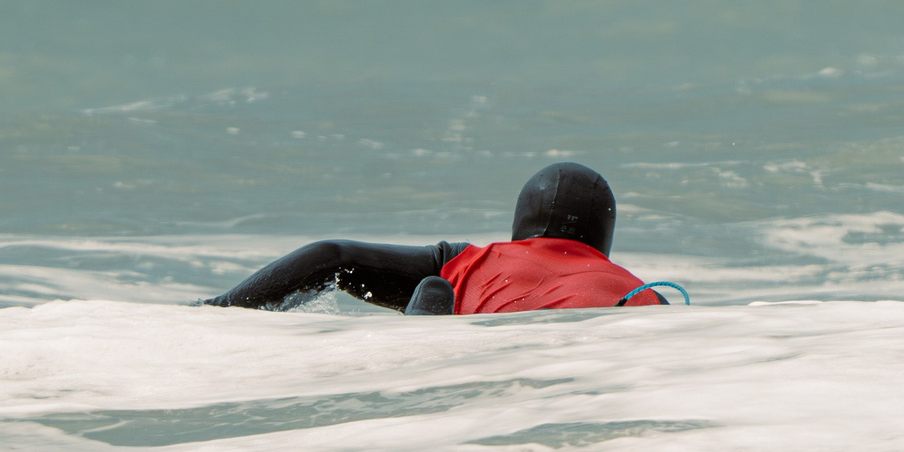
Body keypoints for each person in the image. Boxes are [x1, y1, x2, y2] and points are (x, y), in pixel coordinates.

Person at [198, 163, 669, 316]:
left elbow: (329, 258)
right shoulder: (644, 296)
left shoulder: (474, 260)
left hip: (473, 375)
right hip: (593, 380)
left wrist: (216, 314)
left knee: (433, 293)